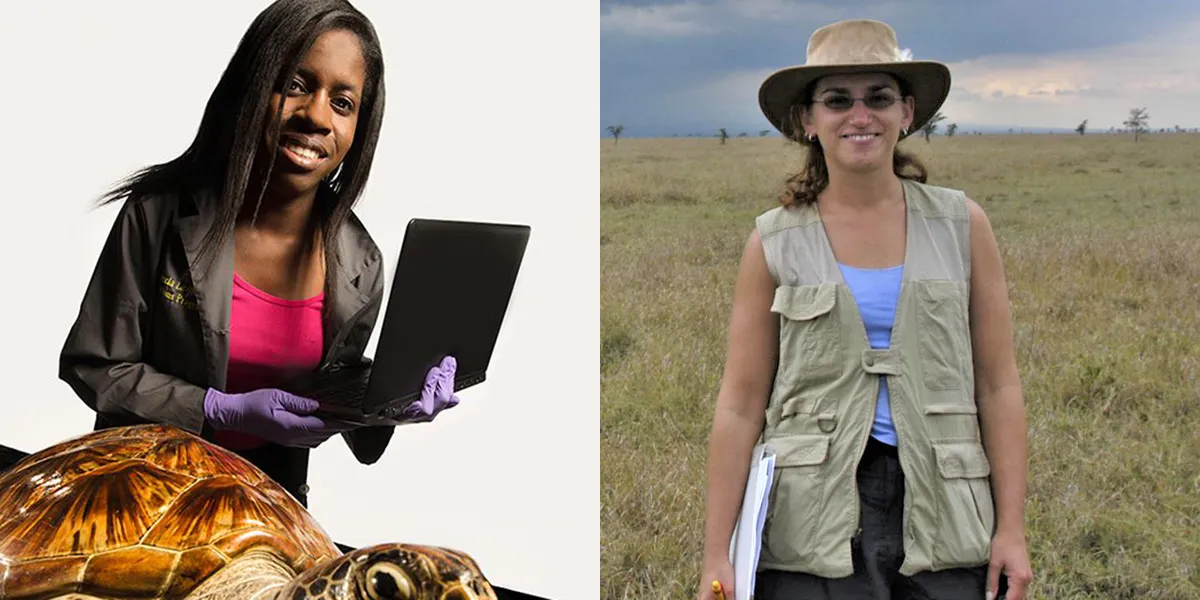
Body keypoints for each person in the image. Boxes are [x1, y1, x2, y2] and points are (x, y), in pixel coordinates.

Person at [57, 0, 461, 508]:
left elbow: (332, 396)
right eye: (295, 84)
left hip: (266, 505)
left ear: (360, 127)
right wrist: (218, 409)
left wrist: (395, 399)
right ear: (252, 86)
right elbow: (94, 366)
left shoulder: (361, 264)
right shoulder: (158, 214)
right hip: (140, 491)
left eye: (342, 103)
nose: (316, 115)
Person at [698, 19, 1033, 600]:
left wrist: (1011, 529)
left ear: (906, 113)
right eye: (837, 100)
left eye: (878, 97)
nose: (860, 115)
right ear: (808, 120)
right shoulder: (773, 242)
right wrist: (715, 554)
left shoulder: (962, 225)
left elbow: (998, 385)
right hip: (811, 519)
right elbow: (741, 403)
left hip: (946, 511)